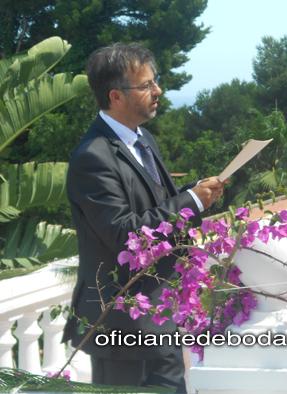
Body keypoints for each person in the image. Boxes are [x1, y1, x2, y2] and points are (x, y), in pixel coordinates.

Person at [62, 43, 224, 391]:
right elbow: (124, 234)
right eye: (146, 85)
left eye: (156, 81)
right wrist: (191, 201)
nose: (158, 91)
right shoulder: (92, 158)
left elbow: (155, 205)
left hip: (160, 318)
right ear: (116, 96)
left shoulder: (143, 139)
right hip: (122, 328)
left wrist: (193, 195)